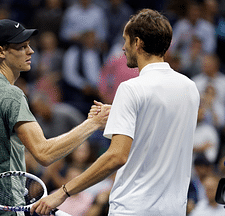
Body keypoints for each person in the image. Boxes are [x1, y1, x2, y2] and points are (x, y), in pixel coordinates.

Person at [31, 8, 200, 216]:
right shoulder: (190, 88)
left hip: (133, 210)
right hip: (174, 210)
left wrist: (64, 192)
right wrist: (123, 112)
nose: (123, 47)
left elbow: (116, 157)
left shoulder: (131, 89)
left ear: (137, 43)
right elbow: (160, 124)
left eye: (126, 40)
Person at [0, 19, 109, 216]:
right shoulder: (12, 95)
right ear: (1, 52)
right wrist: (93, 123)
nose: (31, 51)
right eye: (22, 47)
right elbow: (44, 154)